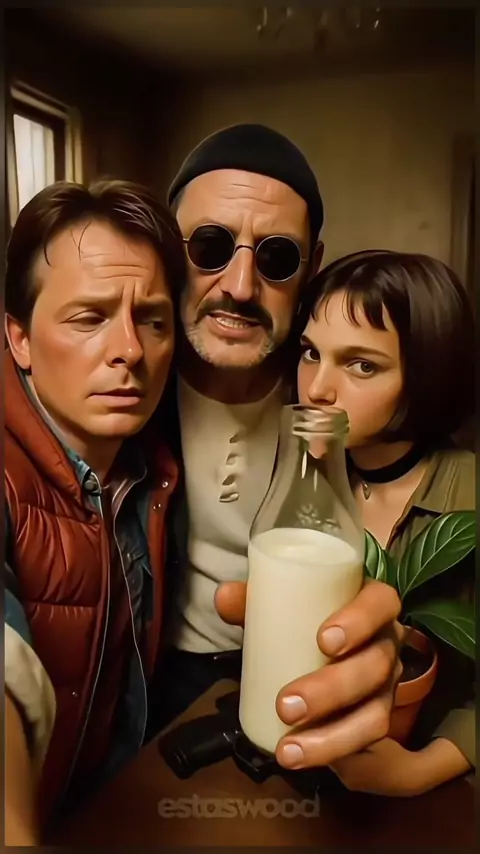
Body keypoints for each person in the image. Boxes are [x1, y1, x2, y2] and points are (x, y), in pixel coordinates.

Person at [154, 124, 402, 772]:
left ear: (311, 267)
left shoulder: (338, 394)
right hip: (154, 681)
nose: (240, 285)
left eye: (277, 258)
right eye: (210, 246)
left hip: (299, 677)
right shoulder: (125, 387)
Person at [4, 179, 186, 844]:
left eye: (154, 321)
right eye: (89, 318)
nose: (130, 349)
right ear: (19, 339)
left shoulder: (154, 468)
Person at [296, 249, 475, 795]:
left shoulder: (467, 495)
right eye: (310, 353)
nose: (317, 388)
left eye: (362, 365)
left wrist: (417, 772)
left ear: (427, 376)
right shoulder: (308, 483)